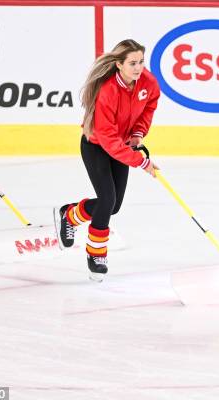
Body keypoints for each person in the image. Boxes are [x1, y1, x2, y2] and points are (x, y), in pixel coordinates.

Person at [54, 39, 160, 281]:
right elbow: (109, 140)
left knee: (114, 205)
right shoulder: (108, 90)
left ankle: (69, 215)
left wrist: (138, 133)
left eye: (141, 62)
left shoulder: (148, 82)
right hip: (96, 146)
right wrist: (141, 162)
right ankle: (96, 254)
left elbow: (149, 107)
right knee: (107, 199)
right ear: (119, 64)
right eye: (132, 63)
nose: (138, 68)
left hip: (121, 145)